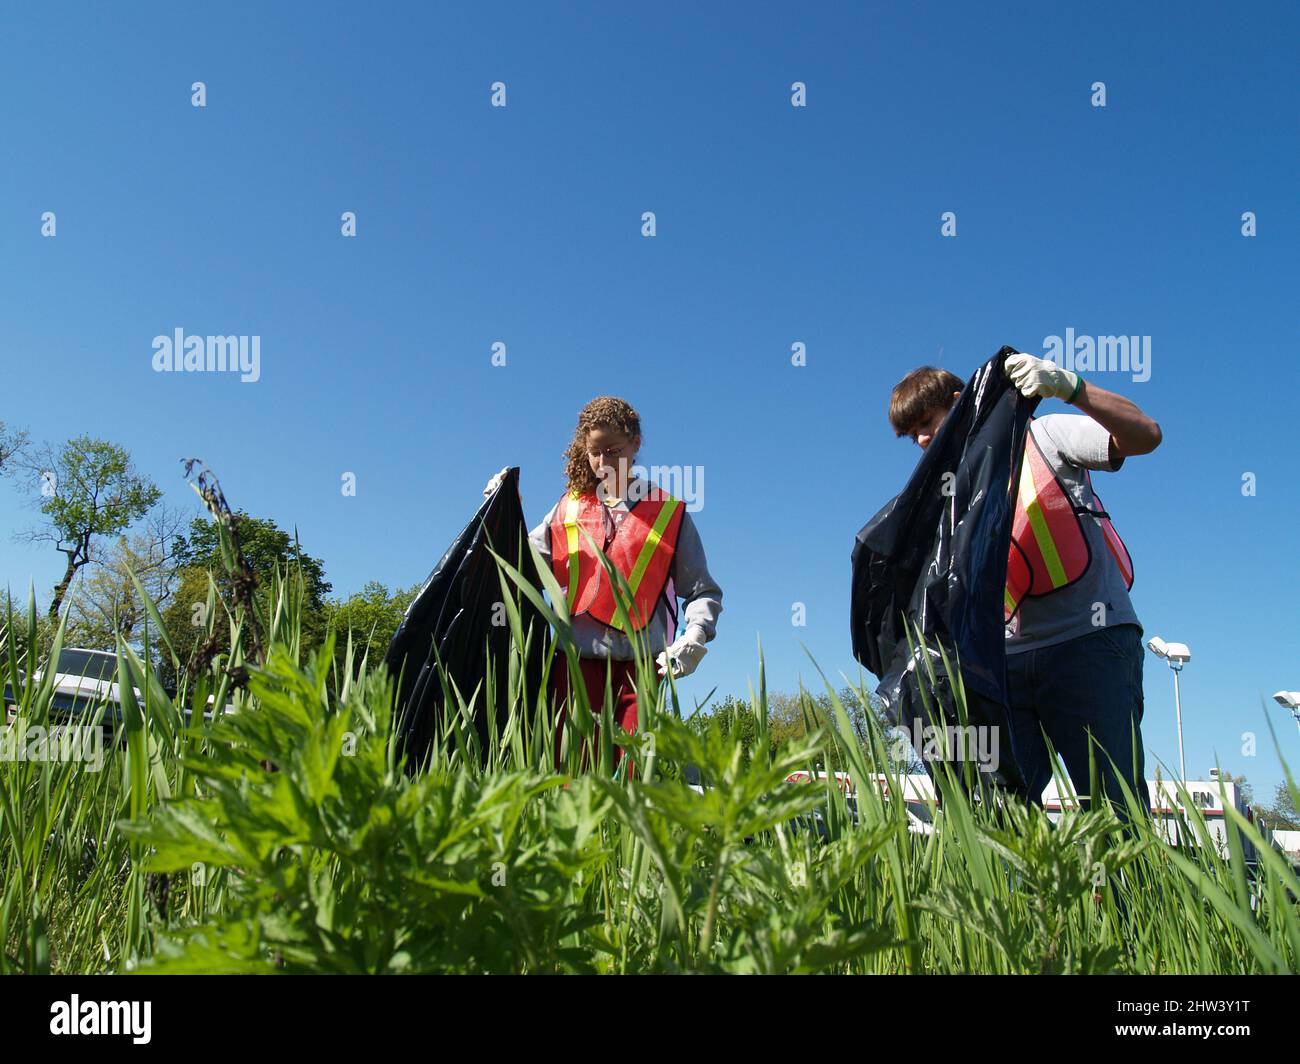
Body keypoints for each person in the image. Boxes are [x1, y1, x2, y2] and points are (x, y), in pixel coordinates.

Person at [888, 353, 1162, 819]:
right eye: (910, 433)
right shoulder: (947, 493)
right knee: (1003, 814)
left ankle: (1128, 893)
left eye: (927, 421)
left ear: (961, 402)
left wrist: (1069, 386)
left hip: (1089, 641)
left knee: (1114, 809)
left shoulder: (1045, 434)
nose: (921, 439)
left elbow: (1144, 436)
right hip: (1004, 664)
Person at [483, 396, 722, 777]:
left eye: (614, 451)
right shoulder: (568, 507)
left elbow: (702, 590)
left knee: (627, 781)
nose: (603, 463)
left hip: (640, 668)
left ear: (636, 444)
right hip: (569, 666)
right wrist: (505, 508)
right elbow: (519, 566)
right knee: (566, 775)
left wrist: (694, 635)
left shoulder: (669, 511)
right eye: (594, 453)